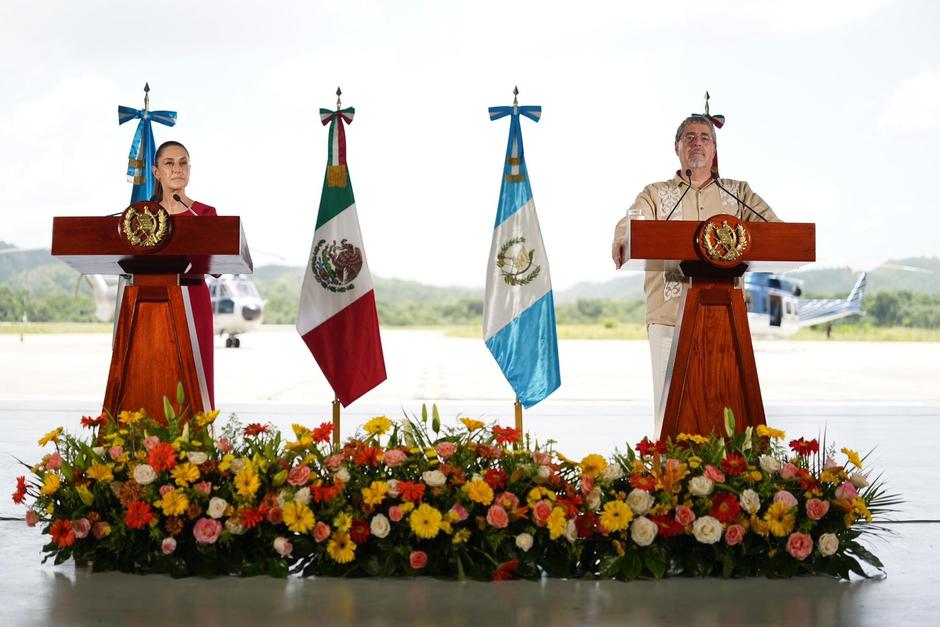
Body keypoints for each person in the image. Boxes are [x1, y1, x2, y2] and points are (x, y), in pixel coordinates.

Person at [611, 115, 781, 437]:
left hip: (725, 317)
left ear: (714, 150)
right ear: (677, 147)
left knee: (727, 409)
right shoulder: (656, 193)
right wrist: (623, 237)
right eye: (689, 137)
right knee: (669, 414)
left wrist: (785, 240)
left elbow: (774, 228)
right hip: (669, 318)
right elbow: (634, 221)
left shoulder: (739, 192)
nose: (697, 143)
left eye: (704, 137)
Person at [151, 140, 217, 409]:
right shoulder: (144, 215)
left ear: (190, 169)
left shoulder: (204, 214)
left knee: (196, 372)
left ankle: (199, 442)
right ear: (157, 172)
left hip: (194, 299)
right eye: (169, 163)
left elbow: (217, 262)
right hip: (153, 301)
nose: (177, 169)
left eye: (183, 162)